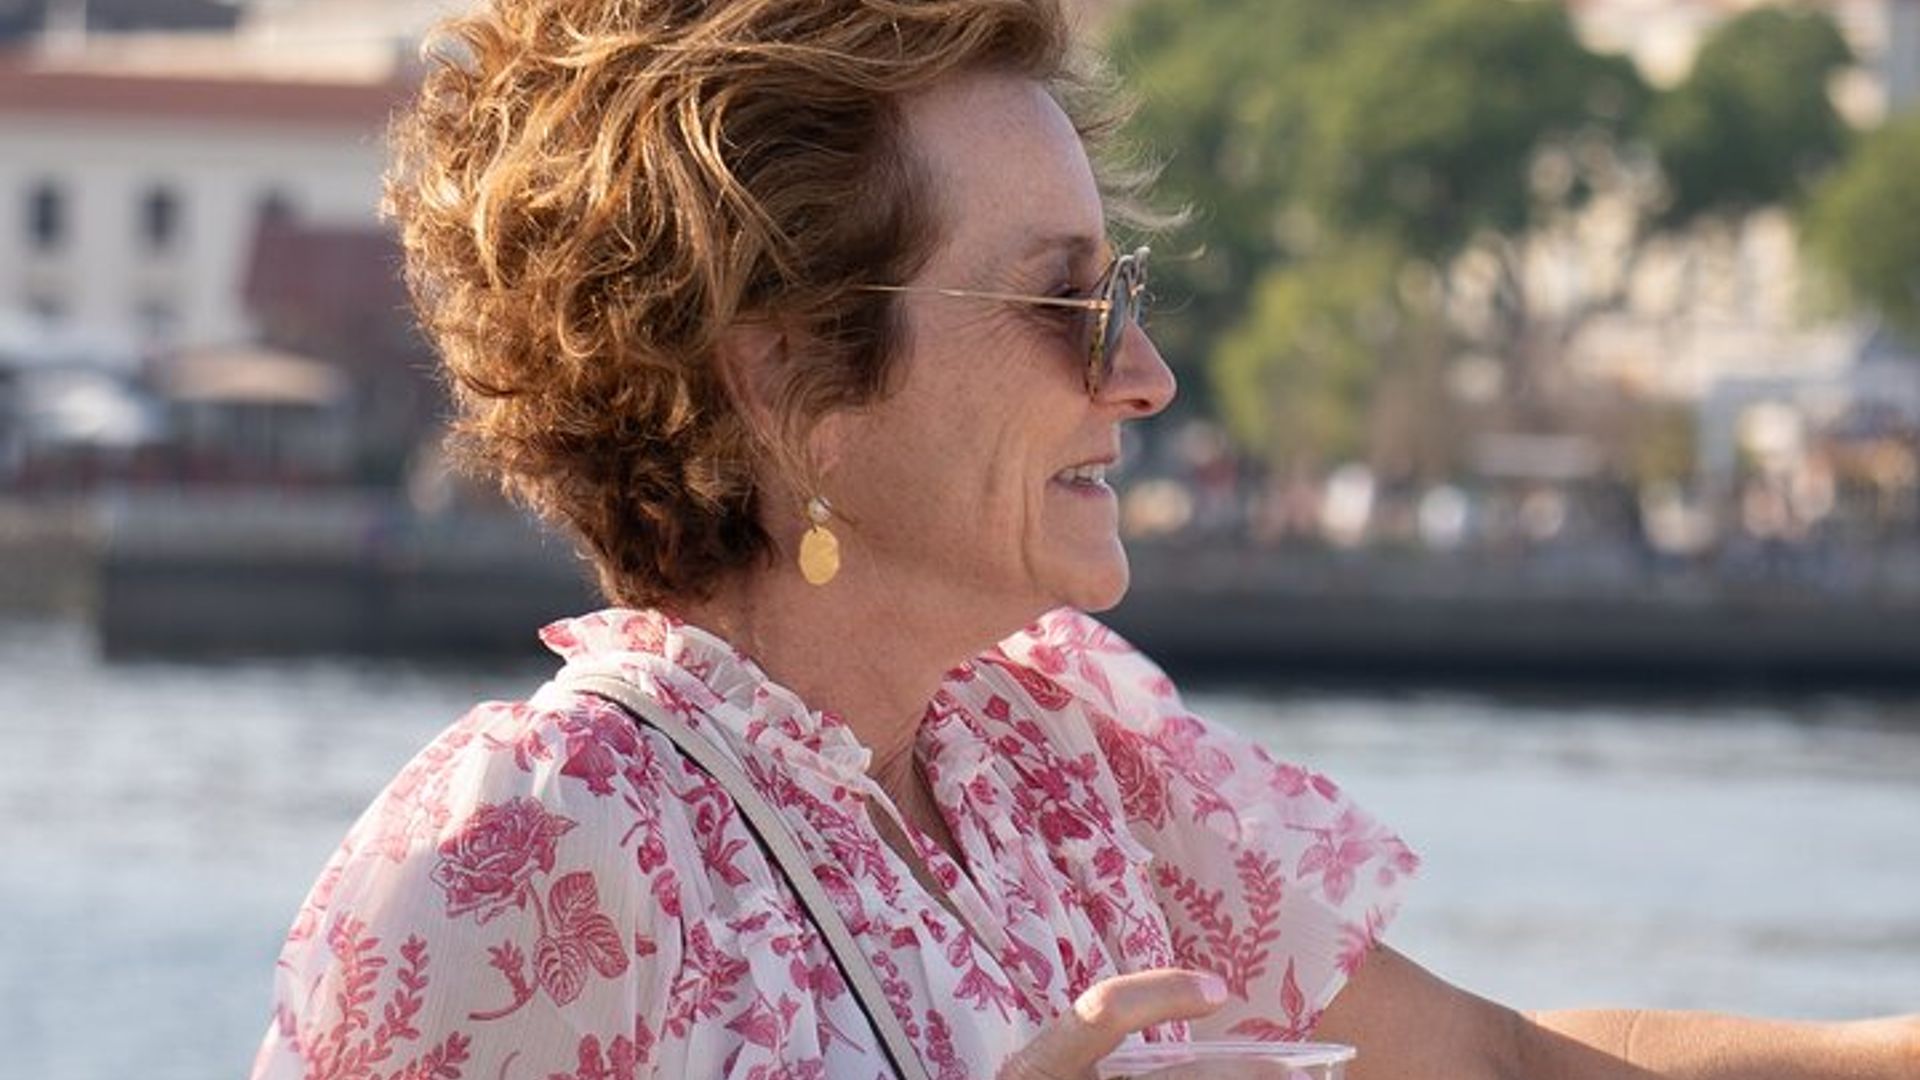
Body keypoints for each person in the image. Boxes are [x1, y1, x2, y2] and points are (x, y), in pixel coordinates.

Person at [253, 1, 1917, 1077]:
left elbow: (1500, 1072)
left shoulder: (1050, 759)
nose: (1145, 375)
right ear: (784, 380)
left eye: (1120, 294)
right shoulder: (522, 866)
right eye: (1063, 303)